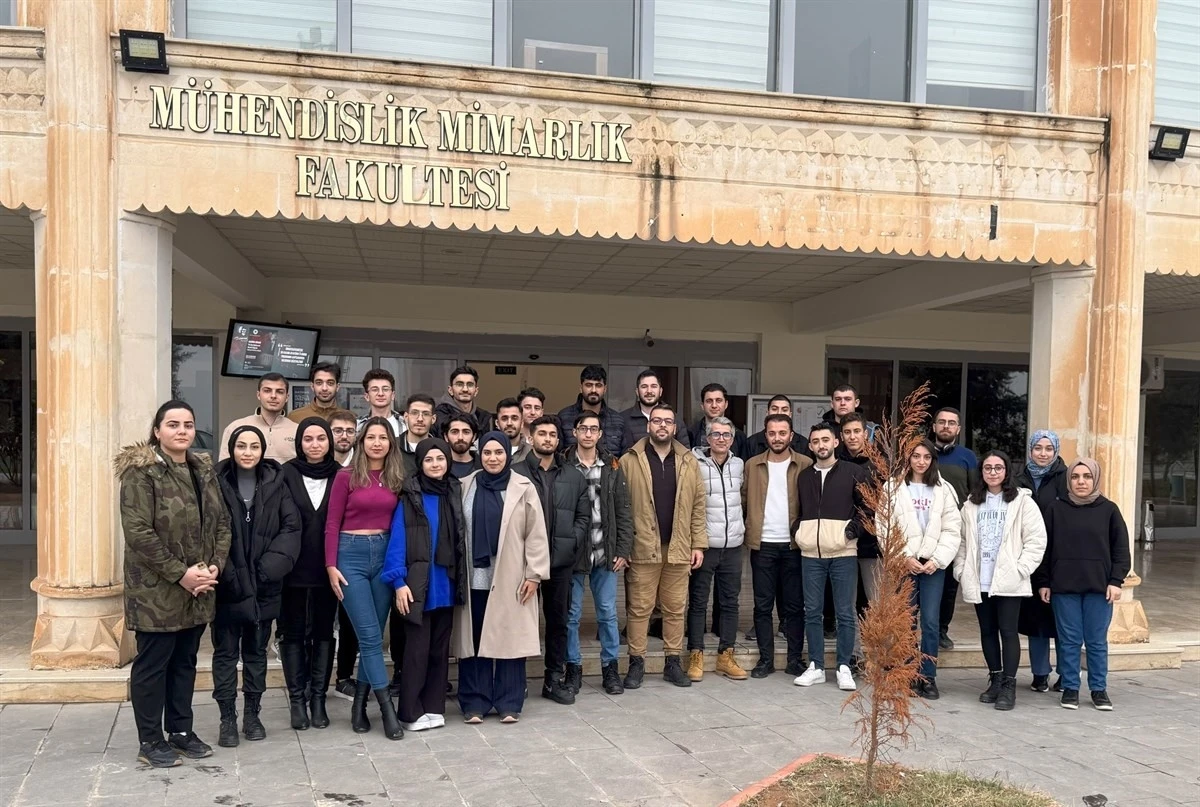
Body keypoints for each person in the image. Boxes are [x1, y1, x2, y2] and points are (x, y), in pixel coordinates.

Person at [116, 400, 231, 768]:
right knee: (153, 666)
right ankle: (150, 739)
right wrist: (181, 574)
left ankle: (181, 732)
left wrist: (213, 567)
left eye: (188, 424)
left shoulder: (203, 470)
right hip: (157, 590)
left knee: (184, 663)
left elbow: (222, 523)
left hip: (198, 588)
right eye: (173, 424)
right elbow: (138, 532)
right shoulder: (142, 473)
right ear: (157, 431)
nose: (182, 431)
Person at [212, 425, 301, 746]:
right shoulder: (215, 482)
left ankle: (252, 715)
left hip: (265, 585)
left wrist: (266, 571)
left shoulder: (277, 483)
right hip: (227, 585)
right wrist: (227, 573)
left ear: (263, 450)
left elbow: (291, 529)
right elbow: (207, 529)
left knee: (255, 653)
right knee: (225, 654)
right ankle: (227, 718)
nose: (247, 452)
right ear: (231, 449)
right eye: (241, 446)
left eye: (254, 446)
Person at [453, 432, 550, 723]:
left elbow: (535, 533)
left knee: (510, 639)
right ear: (479, 454)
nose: (493, 458)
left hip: (511, 577)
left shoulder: (523, 487)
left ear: (508, 454)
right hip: (473, 578)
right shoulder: (465, 485)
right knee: (474, 641)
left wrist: (534, 574)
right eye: (487, 453)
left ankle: (509, 701)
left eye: (498, 453)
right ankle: (475, 702)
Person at [324, 417, 406, 740]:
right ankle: (387, 710)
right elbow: (332, 523)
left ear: (390, 443)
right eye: (371, 437)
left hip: (384, 555)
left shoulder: (396, 478)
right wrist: (331, 565)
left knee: (373, 635)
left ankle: (359, 705)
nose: (376, 443)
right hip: (351, 556)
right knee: (370, 637)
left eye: (382, 438)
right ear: (362, 441)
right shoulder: (346, 476)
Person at [382, 438, 468, 731]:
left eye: (440, 458)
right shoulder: (410, 496)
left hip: (447, 583)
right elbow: (397, 540)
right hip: (418, 585)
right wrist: (398, 581)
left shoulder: (453, 492)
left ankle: (433, 706)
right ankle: (410, 712)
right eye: (429, 459)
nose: (435, 464)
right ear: (420, 463)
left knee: (439, 650)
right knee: (416, 652)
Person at [620, 403, 706, 689]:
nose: (662, 426)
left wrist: (698, 544)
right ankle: (636, 663)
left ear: (674, 427)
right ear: (648, 425)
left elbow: (698, 505)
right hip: (643, 547)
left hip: (678, 546)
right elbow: (621, 507)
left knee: (675, 608)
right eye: (657, 421)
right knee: (639, 609)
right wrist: (623, 546)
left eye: (668, 421)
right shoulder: (630, 460)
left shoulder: (688, 461)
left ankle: (673, 662)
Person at [954, 450, 1047, 712]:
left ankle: (1009, 684)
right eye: (988, 468)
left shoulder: (1022, 502)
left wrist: (1021, 569)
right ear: (981, 472)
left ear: (1007, 471)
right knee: (987, 631)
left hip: (1009, 579)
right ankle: (995, 679)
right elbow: (961, 541)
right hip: (980, 578)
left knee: (1008, 631)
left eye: (998, 468)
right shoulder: (971, 504)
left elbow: (1036, 540)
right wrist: (961, 570)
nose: (993, 472)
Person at [1035, 458, 1130, 712]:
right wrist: (1044, 581)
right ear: (1069, 480)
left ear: (1095, 479)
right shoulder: (1055, 509)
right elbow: (1044, 548)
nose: (1081, 482)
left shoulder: (1109, 510)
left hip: (1099, 588)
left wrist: (1116, 581)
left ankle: (1099, 689)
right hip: (1063, 587)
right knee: (1069, 640)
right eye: (1076, 476)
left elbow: (1121, 549)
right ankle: (1070, 688)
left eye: (1087, 476)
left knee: (1096, 641)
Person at [514, 416, 590, 705]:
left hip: (560, 562)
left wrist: (571, 541)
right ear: (530, 438)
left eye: (552, 435)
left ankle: (553, 679)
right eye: (542, 434)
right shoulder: (516, 473)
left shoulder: (574, 476)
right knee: (522, 622)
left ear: (558, 440)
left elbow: (584, 516)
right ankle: (516, 681)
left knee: (558, 622)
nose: (547, 438)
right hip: (524, 564)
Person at [878, 439, 962, 699]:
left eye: (926, 456)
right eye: (916, 456)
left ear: (932, 460)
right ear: (908, 458)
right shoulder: (893, 487)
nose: (921, 461)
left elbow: (952, 529)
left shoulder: (944, 489)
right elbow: (884, 526)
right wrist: (903, 557)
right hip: (905, 564)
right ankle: (907, 673)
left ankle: (928, 676)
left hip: (933, 566)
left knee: (930, 622)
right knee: (906, 621)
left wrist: (937, 559)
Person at [794, 422, 869, 692]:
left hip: (843, 553)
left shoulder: (854, 472)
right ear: (810, 446)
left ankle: (844, 667)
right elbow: (799, 511)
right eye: (815, 441)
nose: (821, 445)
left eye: (825, 440)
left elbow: (868, 508)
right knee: (812, 612)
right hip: (810, 554)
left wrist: (850, 532)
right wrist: (798, 532)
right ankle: (815, 666)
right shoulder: (804, 477)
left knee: (845, 613)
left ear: (836, 442)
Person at [564, 411, 633, 696]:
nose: (588, 434)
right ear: (575, 432)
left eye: (594, 429)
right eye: (584, 428)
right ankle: (573, 668)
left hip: (605, 553)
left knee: (607, 614)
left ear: (600, 434)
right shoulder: (564, 464)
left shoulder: (612, 466)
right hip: (573, 555)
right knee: (571, 615)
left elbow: (624, 510)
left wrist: (623, 549)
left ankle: (610, 668)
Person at [279, 418, 342, 732]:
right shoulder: (285, 473)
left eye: (321, 438)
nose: (315, 444)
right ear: (299, 443)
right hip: (292, 569)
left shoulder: (341, 474)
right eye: (308, 439)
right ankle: (296, 701)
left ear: (329, 441)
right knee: (292, 633)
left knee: (323, 633)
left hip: (328, 569)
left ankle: (318, 699)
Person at [743, 413, 811, 678]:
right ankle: (765, 659)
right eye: (772, 433)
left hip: (794, 545)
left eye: (782, 433)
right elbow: (743, 500)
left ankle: (794, 659)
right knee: (762, 606)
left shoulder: (805, 463)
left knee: (794, 606)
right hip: (762, 545)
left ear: (791, 435)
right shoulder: (752, 465)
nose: (777, 438)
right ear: (765, 435)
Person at [687, 417, 748, 682]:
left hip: (733, 545)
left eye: (726, 435)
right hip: (705, 545)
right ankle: (696, 653)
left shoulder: (739, 465)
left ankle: (726, 654)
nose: (721, 439)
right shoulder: (694, 463)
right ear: (707, 438)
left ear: (732, 439)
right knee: (698, 602)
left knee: (730, 602)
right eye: (716, 434)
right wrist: (695, 542)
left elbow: (742, 499)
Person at [1014, 430, 1068, 692]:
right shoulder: (1018, 479)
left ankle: (1066, 674)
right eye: (1038, 448)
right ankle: (1040, 673)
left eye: (1049, 449)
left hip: (1059, 558)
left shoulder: (1066, 478)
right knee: (1036, 621)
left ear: (1056, 451)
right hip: (1029, 557)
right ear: (1030, 450)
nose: (1043, 453)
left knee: (1063, 621)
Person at [930, 406, 978, 651]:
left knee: (949, 586)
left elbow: (975, 493)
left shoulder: (967, 457)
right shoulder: (922, 454)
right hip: (924, 530)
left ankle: (941, 630)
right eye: (942, 422)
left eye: (951, 423)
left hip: (954, 532)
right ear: (934, 426)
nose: (946, 426)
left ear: (958, 429)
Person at [327, 409, 360, 700]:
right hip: (320, 552)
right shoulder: (319, 464)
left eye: (350, 431)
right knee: (323, 619)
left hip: (352, 553)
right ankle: (318, 679)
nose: (344, 436)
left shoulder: (361, 467)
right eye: (338, 430)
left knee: (351, 619)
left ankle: (345, 676)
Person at [219, 373, 298, 462]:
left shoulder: (297, 430)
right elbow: (224, 466)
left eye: (279, 392)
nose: (273, 396)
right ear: (258, 395)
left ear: (287, 397)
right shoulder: (236, 427)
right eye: (267, 391)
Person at [558, 364, 627, 455]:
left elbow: (624, 457)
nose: (593, 390)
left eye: (598, 385)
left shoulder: (618, 421)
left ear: (605, 389)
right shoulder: (564, 417)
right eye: (589, 385)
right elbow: (558, 455)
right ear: (581, 387)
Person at [620, 369, 689, 453]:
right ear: (637, 392)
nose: (649, 391)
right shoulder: (623, 419)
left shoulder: (674, 419)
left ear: (660, 391)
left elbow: (685, 455)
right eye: (644, 387)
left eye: (653, 386)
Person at [688, 383, 749, 459]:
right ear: (702, 406)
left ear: (726, 404)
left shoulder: (739, 436)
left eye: (718, 401)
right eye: (709, 401)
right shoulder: (691, 433)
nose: (714, 405)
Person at [435, 365, 494, 438]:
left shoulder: (483, 418)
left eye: (470, 385)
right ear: (450, 390)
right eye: (459, 384)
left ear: (476, 391)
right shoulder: (438, 416)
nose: (465, 389)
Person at [356, 369, 404, 437]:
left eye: (385, 389)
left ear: (393, 395)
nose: (380, 394)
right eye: (375, 390)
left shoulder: (405, 424)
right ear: (367, 396)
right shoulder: (357, 426)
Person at [399, 393, 438, 476]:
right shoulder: (392, 447)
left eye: (426, 414)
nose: (420, 419)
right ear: (406, 417)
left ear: (433, 419)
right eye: (414, 413)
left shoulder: (440, 449)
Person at [445, 412, 482, 479]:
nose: (460, 437)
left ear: (474, 437)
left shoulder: (484, 467)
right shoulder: (438, 466)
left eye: (466, 432)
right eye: (454, 432)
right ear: (446, 437)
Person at [495, 398, 532, 462]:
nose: (509, 423)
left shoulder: (532, 452)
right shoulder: (487, 451)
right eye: (504, 419)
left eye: (514, 418)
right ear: (497, 423)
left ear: (522, 423)